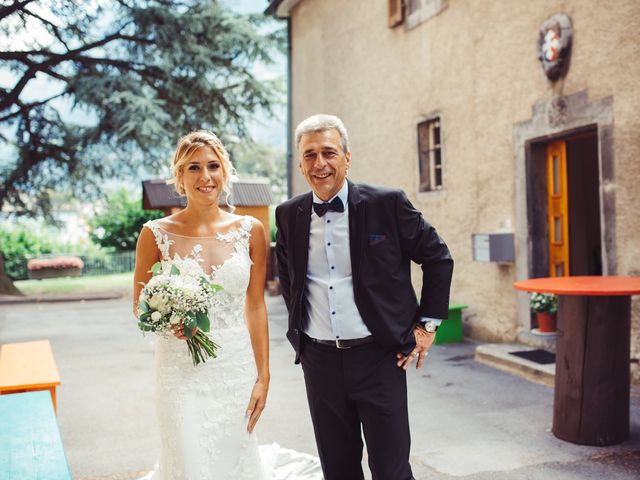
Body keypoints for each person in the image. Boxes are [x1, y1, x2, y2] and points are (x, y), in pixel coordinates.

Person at [275, 114, 454, 480]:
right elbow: (290, 280)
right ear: (300, 163)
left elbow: (438, 257)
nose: (319, 163)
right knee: (338, 470)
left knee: (391, 470)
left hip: (379, 357)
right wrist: (304, 339)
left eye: (329, 152)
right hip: (319, 361)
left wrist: (427, 326)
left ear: (347, 157)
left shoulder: (387, 203)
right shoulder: (288, 213)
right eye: (310, 155)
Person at [133, 131, 271, 479]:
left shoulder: (251, 231)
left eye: (213, 166)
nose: (205, 176)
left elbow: (255, 306)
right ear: (179, 177)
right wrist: (169, 321)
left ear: (225, 172)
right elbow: (140, 305)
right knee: (188, 459)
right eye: (194, 167)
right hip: (179, 371)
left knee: (231, 459)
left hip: (234, 368)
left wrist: (263, 377)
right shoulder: (155, 233)